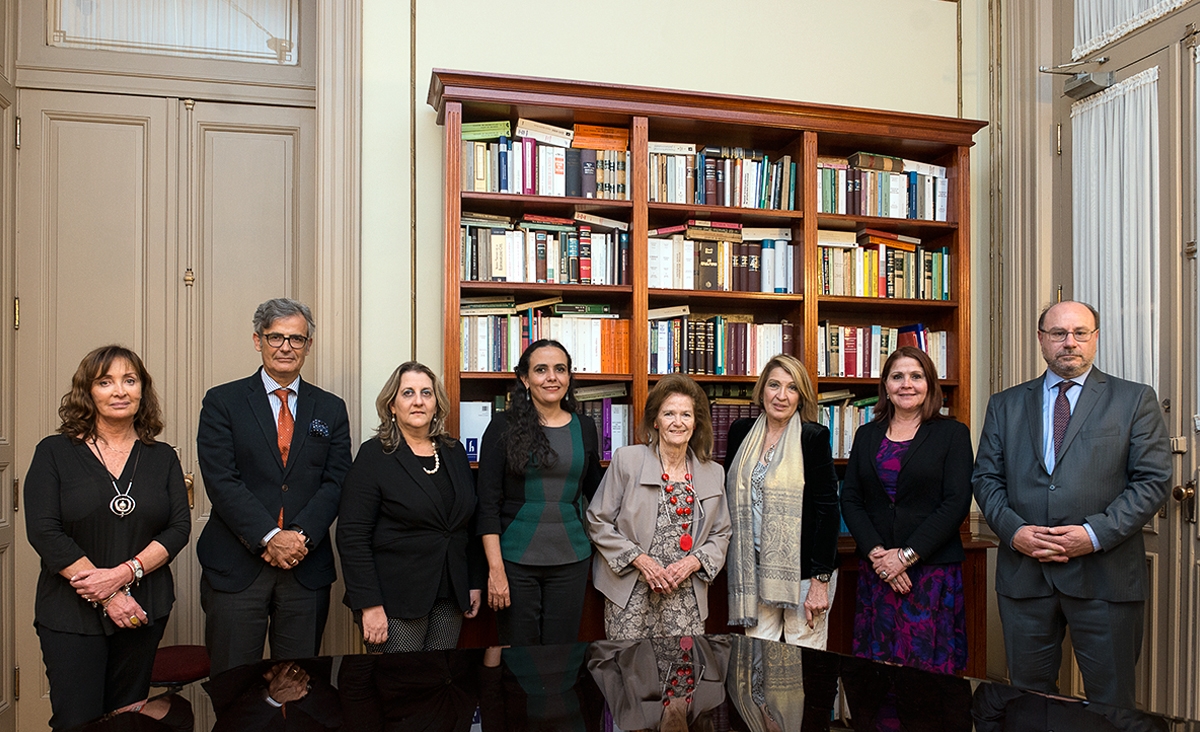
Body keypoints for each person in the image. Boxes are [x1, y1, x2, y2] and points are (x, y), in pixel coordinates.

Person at [973, 300, 1172, 707]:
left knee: (1111, 704)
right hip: (1025, 577)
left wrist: (1093, 535)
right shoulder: (1006, 404)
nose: (1070, 343)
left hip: (1105, 576)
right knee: (1029, 701)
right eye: (1058, 334)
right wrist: (1015, 533)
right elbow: (986, 479)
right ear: (1042, 340)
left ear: (1095, 338)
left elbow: (1152, 482)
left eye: (1080, 333)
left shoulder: (1134, 400)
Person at [25, 345, 191, 729]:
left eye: (129, 381)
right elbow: (44, 530)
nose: (119, 391)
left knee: (128, 717)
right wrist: (111, 593)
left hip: (143, 610)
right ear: (88, 391)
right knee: (77, 720)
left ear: (142, 391)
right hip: (70, 613)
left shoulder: (162, 456)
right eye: (106, 381)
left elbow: (178, 528)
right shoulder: (53, 452)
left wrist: (125, 574)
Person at [196, 298, 353, 676]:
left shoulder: (330, 409)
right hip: (237, 567)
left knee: (298, 686)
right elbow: (221, 480)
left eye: (296, 339)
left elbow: (336, 481)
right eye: (276, 337)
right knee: (234, 686)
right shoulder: (222, 402)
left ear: (308, 345)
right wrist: (270, 537)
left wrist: (299, 536)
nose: (286, 347)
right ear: (258, 340)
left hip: (305, 566)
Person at [840, 345, 973, 674]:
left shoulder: (952, 434)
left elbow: (956, 502)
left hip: (930, 574)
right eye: (897, 377)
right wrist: (878, 555)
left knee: (926, 678)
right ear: (885, 385)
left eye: (916, 376)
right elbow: (851, 498)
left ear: (930, 383)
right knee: (878, 671)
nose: (906, 384)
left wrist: (907, 556)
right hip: (878, 572)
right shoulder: (867, 434)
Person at [337, 361, 483, 652]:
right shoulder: (374, 455)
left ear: (436, 404)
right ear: (392, 405)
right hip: (394, 599)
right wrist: (369, 604)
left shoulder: (454, 453)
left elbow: (469, 525)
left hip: (450, 594)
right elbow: (352, 536)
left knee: (439, 682)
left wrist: (473, 582)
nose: (418, 401)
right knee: (400, 688)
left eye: (426, 393)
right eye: (408, 393)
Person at [476, 339, 603, 645]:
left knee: (562, 656)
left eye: (560, 369)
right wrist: (495, 571)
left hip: (572, 561)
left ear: (569, 377)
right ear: (524, 378)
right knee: (520, 660)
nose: (552, 377)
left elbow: (599, 495)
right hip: (514, 563)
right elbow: (487, 505)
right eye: (541, 370)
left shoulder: (585, 427)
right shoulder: (502, 426)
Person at [587, 374, 731, 639]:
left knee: (681, 673)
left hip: (685, 592)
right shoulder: (627, 461)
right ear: (656, 421)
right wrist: (641, 561)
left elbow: (721, 534)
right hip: (631, 591)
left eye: (686, 415)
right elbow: (598, 521)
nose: (678, 422)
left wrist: (694, 562)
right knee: (630, 670)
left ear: (696, 422)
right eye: (669, 414)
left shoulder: (713, 473)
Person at [724, 354, 841, 649]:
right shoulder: (741, 432)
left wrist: (820, 581)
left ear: (800, 397)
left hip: (804, 575)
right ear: (762, 389)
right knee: (758, 659)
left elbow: (828, 513)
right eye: (774, 385)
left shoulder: (813, 438)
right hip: (754, 570)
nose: (781, 396)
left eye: (791, 388)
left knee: (804, 662)